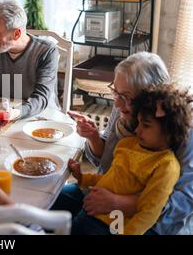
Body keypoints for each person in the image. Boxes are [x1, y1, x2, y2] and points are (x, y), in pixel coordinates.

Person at [52, 52, 193, 235]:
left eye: (126, 96)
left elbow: (184, 203)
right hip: (105, 188)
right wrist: (94, 137)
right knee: (49, 200)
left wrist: (117, 202)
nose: (117, 103)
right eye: (115, 92)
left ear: (151, 96)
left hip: (146, 221)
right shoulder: (123, 110)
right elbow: (106, 164)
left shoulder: (179, 129)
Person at [0, 0, 59, 118]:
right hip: (4, 115)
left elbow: (41, 98)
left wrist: (16, 112)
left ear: (16, 34)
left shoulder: (47, 51)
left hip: (42, 117)